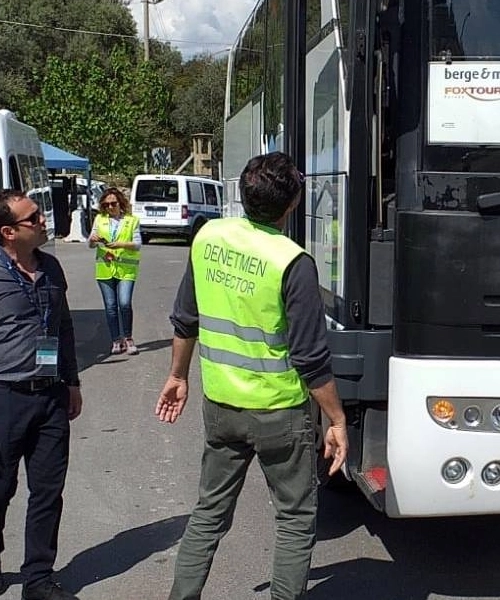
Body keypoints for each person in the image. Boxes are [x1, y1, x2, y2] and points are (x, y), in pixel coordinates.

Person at [155, 151, 349, 600]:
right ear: (293, 203)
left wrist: (178, 376)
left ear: (244, 194)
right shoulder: (292, 261)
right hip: (280, 413)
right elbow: (310, 357)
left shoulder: (209, 236)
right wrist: (336, 419)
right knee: (295, 519)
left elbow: (186, 319)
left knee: (209, 512)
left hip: (222, 406)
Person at [0, 189, 83, 600]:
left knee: (48, 491)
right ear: (8, 232)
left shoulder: (51, 268)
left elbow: (63, 327)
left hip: (50, 396)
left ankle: (38, 577)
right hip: (2, 398)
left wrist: (72, 381)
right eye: (33, 218)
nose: (43, 221)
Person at [87, 187, 142, 355]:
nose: (110, 207)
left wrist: (120, 244)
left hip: (126, 269)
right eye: (106, 204)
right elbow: (90, 244)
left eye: (113, 204)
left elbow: (137, 244)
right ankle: (116, 340)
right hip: (105, 269)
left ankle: (128, 338)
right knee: (110, 307)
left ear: (120, 203)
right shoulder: (99, 219)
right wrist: (93, 240)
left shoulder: (132, 220)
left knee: (124, 303)